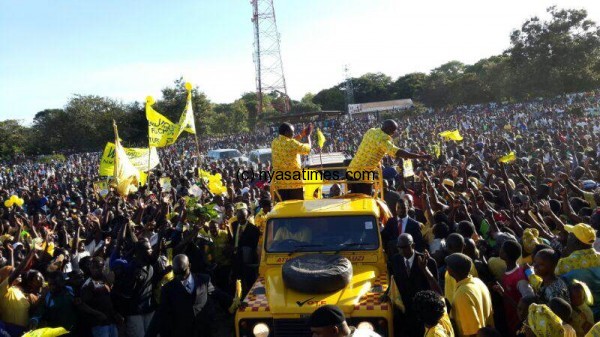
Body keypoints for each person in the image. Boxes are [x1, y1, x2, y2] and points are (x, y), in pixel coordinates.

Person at [147, 254, 235, 337]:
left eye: (183, 272)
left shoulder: (204, 280)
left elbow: (217, 293)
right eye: (177, 273)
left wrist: (234, 302)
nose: (180, 277)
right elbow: (160, 314)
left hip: (203, 330)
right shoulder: (168, 289)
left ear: (190, 266)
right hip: (182, 332)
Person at [347, 120, 430, 195]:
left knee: (353, 198)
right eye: (393, 131)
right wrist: (420, 156)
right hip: (363, 176)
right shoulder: (383, 140)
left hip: (351, 170)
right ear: (387, 129)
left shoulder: (371, 131)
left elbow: (370, 149)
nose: (393, 134)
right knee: (364, 202)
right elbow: (399, 152)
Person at [110, 235, 156, 337]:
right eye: (149, 249)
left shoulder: (149, 265)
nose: (151, 250)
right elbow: (126, 295)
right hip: (135, 312)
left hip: (148, 309)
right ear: (141, 252)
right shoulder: (132, 269)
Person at [555, 223, 600, 320]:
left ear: (576, 242)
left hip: (585, 317)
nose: (568, 239)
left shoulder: (565, 263)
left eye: (570, 236)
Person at [491, 241, 534, 336]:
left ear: (506, 255)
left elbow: (529, 305)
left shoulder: (520, 279)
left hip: (518, 323)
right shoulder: (508, 270)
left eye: (502, 249)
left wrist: (504, 295)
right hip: (510, 317)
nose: (499, 250)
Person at [446, 253, 494, 337]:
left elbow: (473, 332)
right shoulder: (478, 282)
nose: (447, 268)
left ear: (450, 271)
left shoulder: (462, 294)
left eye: (448, 266)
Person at [79, 257, 120, 337]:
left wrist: (116, 314)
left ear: (103, 267)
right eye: (93, 267)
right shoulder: (88, 284)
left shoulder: (105, 280)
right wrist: (98, 314)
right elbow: (82, 305)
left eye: (99, 267)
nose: (95, 269)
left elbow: (109, 300)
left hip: (111, 321)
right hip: (99, 325)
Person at [271, 122, 312, 201]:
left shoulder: (274, 142)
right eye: (292, 132)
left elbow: (289, 142)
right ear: (286, 132)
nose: (293, 134)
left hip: (280, 184)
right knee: (297, 208)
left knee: (283, 209)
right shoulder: (292, 144)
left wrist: (301, 135)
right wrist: (308, 136)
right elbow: (308, 149)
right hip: (295, 184)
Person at [231, 205, 260, 293]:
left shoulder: (254, 229)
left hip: (247, 260)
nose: (240, 220)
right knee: (237, 282)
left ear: (247, 217)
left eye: (242, 218)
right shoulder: (234, 225)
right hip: (236, 258)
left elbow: (253, 246)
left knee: (249, 282)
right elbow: (234, 239)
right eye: (238, 218)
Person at [308, 304, 382, 337]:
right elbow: (366, 326)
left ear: (334, 330)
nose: (314, 336)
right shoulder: (363, 332)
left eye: (317, 333)